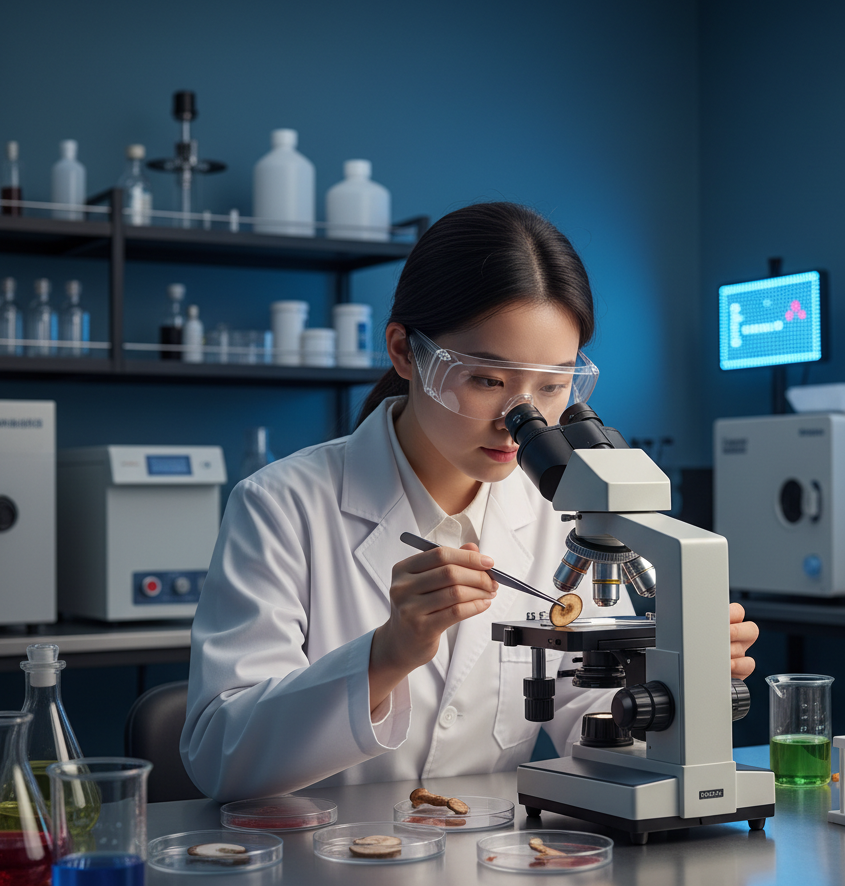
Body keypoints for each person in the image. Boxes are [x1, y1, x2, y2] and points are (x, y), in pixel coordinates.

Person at [180, 202, 758, 802]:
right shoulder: (280, 507)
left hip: (489, 867)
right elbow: (221, 757)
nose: (521, 419)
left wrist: (676, 681)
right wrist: (385, 656)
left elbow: (589, 723)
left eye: (554, 386)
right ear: (405, 352)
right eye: (487, 380)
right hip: (320, 865)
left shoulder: (565, 517)